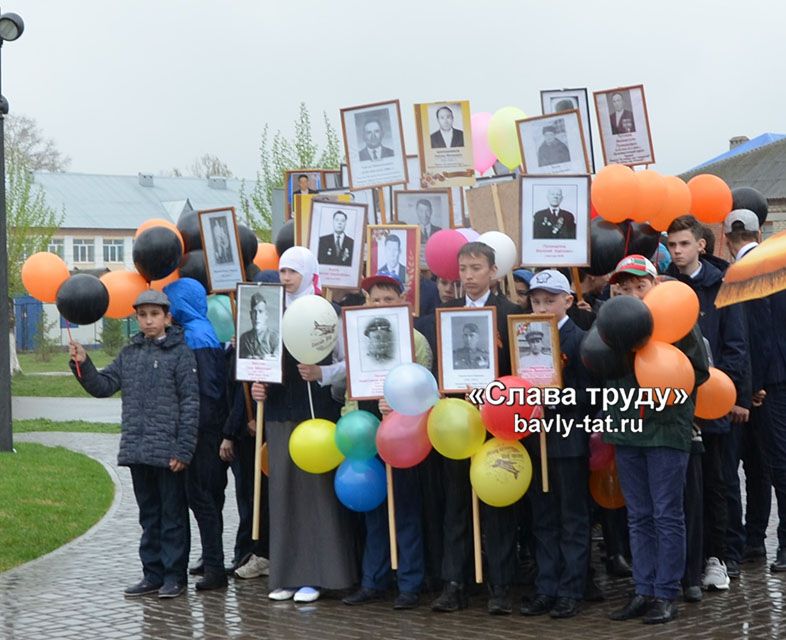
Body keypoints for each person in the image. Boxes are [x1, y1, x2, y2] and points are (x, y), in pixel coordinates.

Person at [69, 289, 199, 599]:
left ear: (167, 318)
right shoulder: (130, 354)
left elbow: (191, 404)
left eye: (155, 314)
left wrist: (183, 449)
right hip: (139, 451)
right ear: (136, 318)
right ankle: (152, 574)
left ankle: (174, 577)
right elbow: (103, 386)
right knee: (149, 517)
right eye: (143, 315)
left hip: (169, 454)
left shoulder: (181, 354)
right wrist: (84, 364)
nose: (149, 320)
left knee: (172, 518)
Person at [604, 255, 710, 624]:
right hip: (627, 427)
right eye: (625, 286)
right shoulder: (613, 322)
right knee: (638, 515)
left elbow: (698, 373)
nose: (633, 292)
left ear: (654, 285)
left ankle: (666, 592)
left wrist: (663, 371)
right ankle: (643, 588)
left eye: (639, 285)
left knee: (667, 513)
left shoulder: (676, 319)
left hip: (666, 428)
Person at [250, 246, 357, 603]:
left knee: (316, 493)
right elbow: (257, 357)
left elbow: (348, 362)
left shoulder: (327, 312)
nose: (285, 278)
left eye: (292, 271)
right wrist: (257, 384)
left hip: (317, 416)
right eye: (281, 271)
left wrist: (322, 372)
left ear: (308, 272)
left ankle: (319, 574)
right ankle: (286, 574)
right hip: (279, 413)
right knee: (282, 493)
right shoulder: (268, 311)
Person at [431, 241, 523, 615]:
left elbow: (520, 371)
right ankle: (455, 583)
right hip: (457, 423)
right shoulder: (444, 315)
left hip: (497, 423)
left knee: (497, 503)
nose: (468, 276)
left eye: (476, 268)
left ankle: (500, 585)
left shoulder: (511, 314)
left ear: (493, 272)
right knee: (455, 504)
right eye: (463, 269)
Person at [666, 215, 750, 591]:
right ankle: (689, 560)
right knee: (683, 488)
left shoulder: (722, 286)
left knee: (718, 482)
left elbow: (736, 345)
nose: (677, 251)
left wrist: (732, 393)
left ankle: (721, 554)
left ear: (701, 245)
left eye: (683, 244)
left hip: (713, 402)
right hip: (673, 406)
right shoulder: (662, 287)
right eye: (671, 245)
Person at [343, 274, 432, 610]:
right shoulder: (356, 338)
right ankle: (373, 580)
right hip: (366, 432)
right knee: (374, 512)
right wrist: (350, 422)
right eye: (374, 300)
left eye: (386, 299)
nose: (379, 305)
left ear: (401, 301)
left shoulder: (416, 340)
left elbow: (427, 389)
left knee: (406, 509)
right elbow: (351, 390)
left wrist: (401, 405)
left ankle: (410, 582)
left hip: (403, 436)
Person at [520, 269, 592, 620]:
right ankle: (546, 586)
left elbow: (590, 394)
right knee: (543, 518)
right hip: (535, 441)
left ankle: (571, 589)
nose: (542, 307)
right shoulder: (523, 334)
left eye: (550, 300)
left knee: (572, 519)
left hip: (567, 441)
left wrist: (556, 398)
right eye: (536, 301)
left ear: (567, 300)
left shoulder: (580, 340)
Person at [722, 209, 786, 573]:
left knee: (775, 465)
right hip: (764, 382)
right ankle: (755, 538)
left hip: (764, 385)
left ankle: (765, 541)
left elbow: (759, 334)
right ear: (758, 233)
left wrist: (752, 387)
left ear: (726, 237)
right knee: (762, 465)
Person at [164, 277, 230, 592]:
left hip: (202, 430)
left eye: (171, 303)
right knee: (208, 497)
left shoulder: (195, 337)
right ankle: (210, 560)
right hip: (207, 428)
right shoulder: (202, 330)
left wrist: (190, 431)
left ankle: (215, 569)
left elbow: (206, 392)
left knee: (201, 496)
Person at [238, 292, 279, 360]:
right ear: (251, 315)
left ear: (266, 315)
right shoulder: (244, 339)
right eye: (254, 312)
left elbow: (278, 360)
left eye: (260, 311)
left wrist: (262, 358)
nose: (257, 317)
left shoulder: (275, 338)